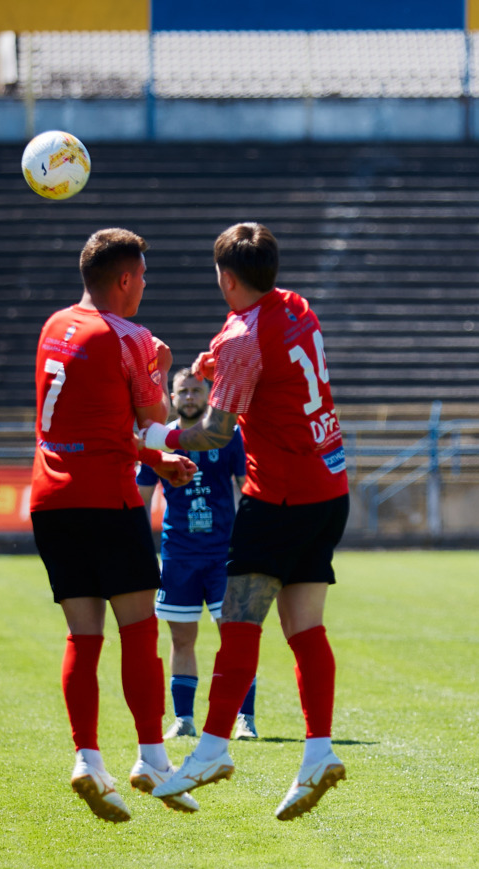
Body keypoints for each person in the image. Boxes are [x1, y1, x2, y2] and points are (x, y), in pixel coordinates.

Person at [147, 222, 350, 821]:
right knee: (305, 627)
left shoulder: (241, 336)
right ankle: (317, 751)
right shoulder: (296, 308)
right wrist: (218, 362)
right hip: (328, 488)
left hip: (279, 496)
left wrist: (153, 437)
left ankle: (211, 749)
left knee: (238, 621)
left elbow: (215, 431)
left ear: (225, 278)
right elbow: (260, 358)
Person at [29, 227, 200, 822]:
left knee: (82, 635)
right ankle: (153, 757)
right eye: (143, 276)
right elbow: (156, 422)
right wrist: (165, 367)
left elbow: (99, 423)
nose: (146, 285)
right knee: (137, 631)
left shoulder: (54, 326)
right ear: (124, 280)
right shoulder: (129, 337)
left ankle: (86, 758)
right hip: (108, 501)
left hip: (52, 500)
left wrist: (154, 461)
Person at [134, 368, 256, 742]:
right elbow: (141, 497)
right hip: (178, 555)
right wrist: (140, 546)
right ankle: (184, 719)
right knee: (181, 639)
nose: (190, 397)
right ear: (171, 396)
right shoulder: (159, 441)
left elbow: (247, 490)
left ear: (208, 395)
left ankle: (244, 718)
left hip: (223, 556)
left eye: (196, 391)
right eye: (182, 391)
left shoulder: (229, 436)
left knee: (234, 638)